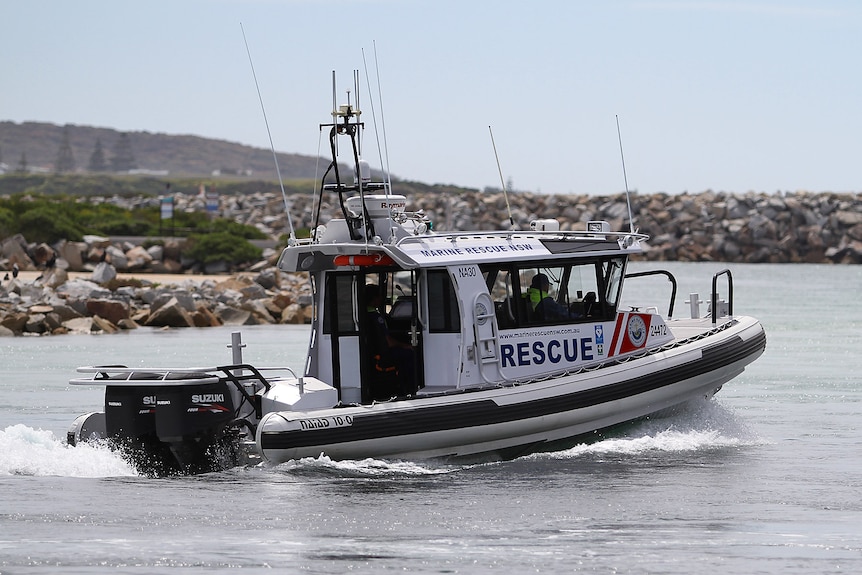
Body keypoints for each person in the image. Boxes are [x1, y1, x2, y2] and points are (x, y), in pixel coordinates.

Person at [363, 284, 416, 399]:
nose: (382, 299)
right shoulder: (377, 318)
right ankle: (410, 389)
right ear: (375, 299)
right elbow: (389, 342)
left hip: (374, 354)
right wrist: (406, 345)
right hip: (383, 355)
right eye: (380, 296)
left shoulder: (364, 315)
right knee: (410, 354)